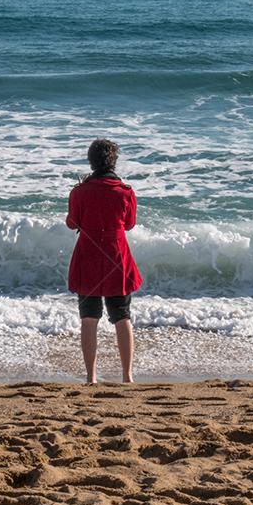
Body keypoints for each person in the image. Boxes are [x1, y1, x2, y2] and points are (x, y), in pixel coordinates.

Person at [66, 139, 142, 384]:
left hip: (88, 255)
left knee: (89, 318)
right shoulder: (126, 192)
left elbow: (72, 224)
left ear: (91, 162)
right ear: (114, 162)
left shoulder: (79, 192)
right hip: (116, 257)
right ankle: (127, 376)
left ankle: (91, 377)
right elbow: (129, 224)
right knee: (122, 316)